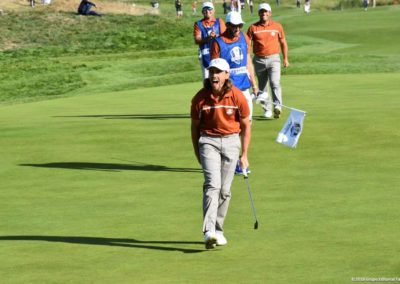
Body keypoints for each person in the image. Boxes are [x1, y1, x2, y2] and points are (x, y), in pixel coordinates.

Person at [191, 58, 251, 249]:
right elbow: (194, 128)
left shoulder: (237, 96)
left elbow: (245, 125)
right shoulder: (199, 98)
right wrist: (197, 151)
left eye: (219, 72)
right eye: (212, 71)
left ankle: (218, 230)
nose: (214, 75)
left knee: (225, 190)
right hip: (208, 141)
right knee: (212, 185)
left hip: (232, 141)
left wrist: (245, 154)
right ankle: (208, 231)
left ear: (227, 75)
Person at [210, 11, 257, 175]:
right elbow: (215, 69)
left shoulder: (244, 38)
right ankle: (230, 159)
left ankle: (242, 158)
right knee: (231, 127)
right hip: (227, 91)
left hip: (244, 88)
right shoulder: (218, 42)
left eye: (239, 25)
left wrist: (254, 84)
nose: (237, 28)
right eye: (234, 25)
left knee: (247, 124)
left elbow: (248, 62)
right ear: (228, 25)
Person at [247, 3, 289, 119]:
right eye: (261, 12)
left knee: (275, 83)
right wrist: (248, 60)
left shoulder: (277, 26)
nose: (263, 14)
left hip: (274, 58)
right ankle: (267, 109)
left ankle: (278, 106)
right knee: (262, 87)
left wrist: (285, 58)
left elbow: (283, 43)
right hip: (258, 60)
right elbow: (248, 45)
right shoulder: (253, 28)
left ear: (270, 13)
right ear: (259, 13)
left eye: (265, 12)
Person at [193, 2, 226, 79]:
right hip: (205, 54)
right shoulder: (198, 24)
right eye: (205, 9)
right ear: (202, 12)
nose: (207, 11)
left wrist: (216, 36)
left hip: (219, 53)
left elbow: (225, 37)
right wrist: (208, 37)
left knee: (221, 76)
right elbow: (197, 40)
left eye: (209, 9)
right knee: (207, 79)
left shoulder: (219, 21)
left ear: (214, 11)